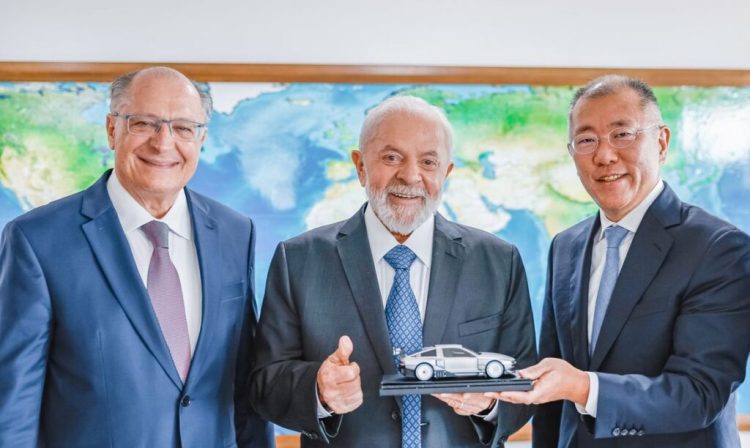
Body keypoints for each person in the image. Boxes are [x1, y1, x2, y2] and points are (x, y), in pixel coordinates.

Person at [0, 67, 273, 447]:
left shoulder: (234, 232)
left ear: (202, 139)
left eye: (182, 128)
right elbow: (12, 408)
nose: (164, 143)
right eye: (144, 123)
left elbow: (244, 386)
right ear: (113, 129)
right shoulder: (38, 241)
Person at [249, 95, 537, 447]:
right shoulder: (298, 260)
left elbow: (525, 382)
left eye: (429, 161)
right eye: (391, 157)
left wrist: (490, 403)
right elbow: (264, 383)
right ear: (360, 166)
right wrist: (319, 390)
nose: (410, 175)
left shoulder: (499, 261)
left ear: (445, 173)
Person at [487, 75, 750, 447]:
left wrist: (583, 386)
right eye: (587, 140)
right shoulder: (566, 245)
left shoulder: (718, 247)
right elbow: (552, 387)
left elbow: (700, 393)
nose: (604, 155)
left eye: (622, 134)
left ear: (661, 142)